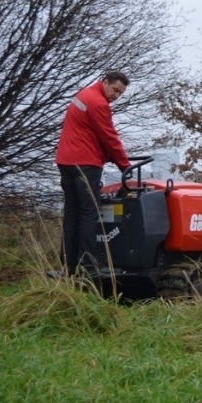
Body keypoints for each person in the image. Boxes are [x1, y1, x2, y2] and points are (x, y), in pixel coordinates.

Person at [55, 71, 132, 276]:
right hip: (85, 163)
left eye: (120, 94)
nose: (116, 96)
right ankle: (91, 263)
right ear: (105, 82)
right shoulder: (98, 103)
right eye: (115, 90)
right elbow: (109, 137)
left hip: (65, 161)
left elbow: (88, 132)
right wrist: (125, 166)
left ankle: (69, 264)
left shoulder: (84, 95)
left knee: (72, 213)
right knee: (89, 212)